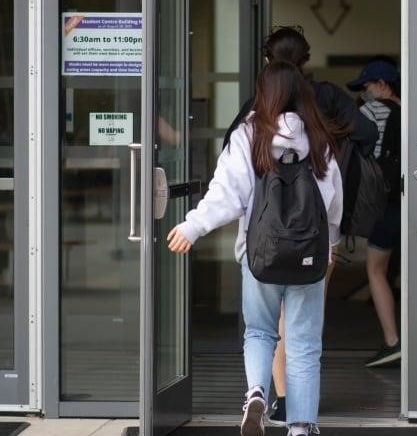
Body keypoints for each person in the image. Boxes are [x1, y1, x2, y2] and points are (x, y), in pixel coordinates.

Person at [168, 60, 343, 436]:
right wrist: (331, 243)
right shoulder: (318, 137)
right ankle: (300, 427)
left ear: (265, 94)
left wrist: (193, 226)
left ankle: (257, 393)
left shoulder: (250, 134)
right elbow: (332, 199)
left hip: (260, 253)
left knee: (260, 332)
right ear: (301, 93)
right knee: (304, 343)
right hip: (309, 254)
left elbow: (227, 194)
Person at [223, 26, 378, 425]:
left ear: (266, 61)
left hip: (263, 240)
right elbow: (367, 131)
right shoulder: (325, 100)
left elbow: (230, 168)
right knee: (304, 329)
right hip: (315, 232)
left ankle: (277, 398)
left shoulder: (254, 112)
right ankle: (301, 419)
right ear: (306, 59)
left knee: (265, 326)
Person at [346, 58, 402, 368]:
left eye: (367, 85)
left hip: (385, 204)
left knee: (376, 270)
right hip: (411, 201)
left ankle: (393, 341)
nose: (365, 91)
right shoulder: (413, 110)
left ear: (382, 84)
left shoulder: (370, 112)